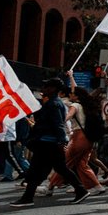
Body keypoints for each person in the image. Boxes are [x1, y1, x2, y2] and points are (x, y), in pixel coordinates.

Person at [16, 78, 91, 207]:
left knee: (39, 169)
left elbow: (58, 124)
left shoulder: (54, 104)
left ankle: (27, 198)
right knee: (55, 168)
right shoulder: (52, 103)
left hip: (49, 143)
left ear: (53, 89)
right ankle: (80, 190)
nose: (44, 89)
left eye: (47, 86)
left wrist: (62, 141)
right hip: (48, 142)